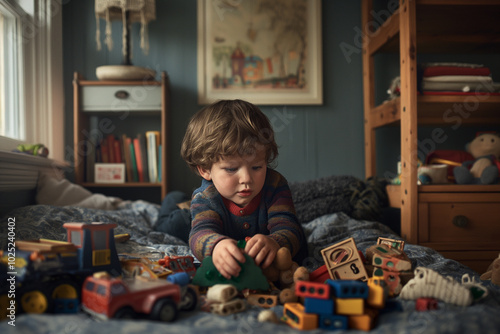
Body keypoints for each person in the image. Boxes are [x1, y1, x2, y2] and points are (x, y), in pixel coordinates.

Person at [181, 99, 308, 279]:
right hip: (190, 216)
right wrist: (216, 246)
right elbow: (200, 234)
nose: (247, 179)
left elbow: (290, 229)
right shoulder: (205, 197)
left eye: (257, 167)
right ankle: (175, 202)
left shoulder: (275, 185)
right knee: (176, 223)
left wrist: (274, 242)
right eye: (232, 169)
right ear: (205, 169)